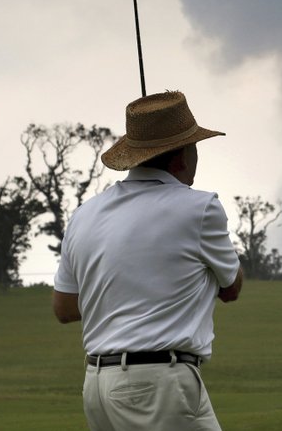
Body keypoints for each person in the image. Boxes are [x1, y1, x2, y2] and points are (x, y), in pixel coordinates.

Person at [52, 90, 244, 431]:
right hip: (158, 384)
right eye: (194, 146)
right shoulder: (199, 208)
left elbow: (65, 309)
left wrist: (125, 291)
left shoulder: (84, 214)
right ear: (181, 157)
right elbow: (231, 289)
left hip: (98, 386)